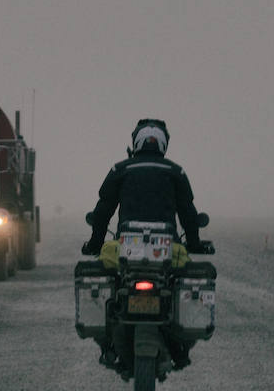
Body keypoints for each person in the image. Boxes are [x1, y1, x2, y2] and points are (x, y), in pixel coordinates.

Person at [82, 118, 204, 368]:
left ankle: (109, 344)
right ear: (164, 144)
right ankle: (179, 347)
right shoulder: (175, 172)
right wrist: (196, 243)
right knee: (185, 279)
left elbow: (103, 210)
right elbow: (188, 213)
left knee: (106, 277)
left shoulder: (120, 170)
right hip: (168, 249)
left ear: (135, 142)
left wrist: (94, 243)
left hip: (125, 249)